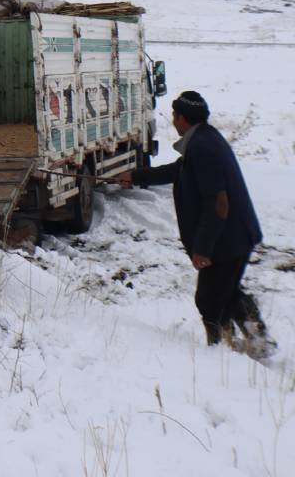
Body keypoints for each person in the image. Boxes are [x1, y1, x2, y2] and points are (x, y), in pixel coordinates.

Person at [117, 91, 275, 358]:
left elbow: (219, 204)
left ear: (183, 118)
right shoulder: (205, 139)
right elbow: (176, 171)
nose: (173, 120)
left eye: (174, 115)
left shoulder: (202, 147)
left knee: (209, 300)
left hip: (227, 240)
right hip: (237, 235)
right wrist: (133, 175)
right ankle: (255, 341)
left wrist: (202, 248)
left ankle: (221, 351)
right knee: (226, 291)